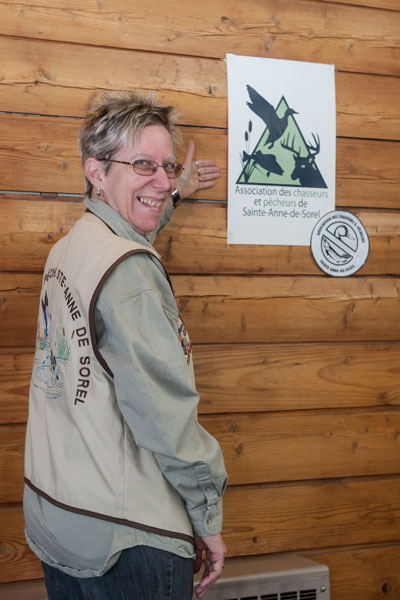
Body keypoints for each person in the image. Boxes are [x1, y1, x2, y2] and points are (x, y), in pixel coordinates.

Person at [24, 91, 228, 600]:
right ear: (96, 171)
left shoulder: (71, 248)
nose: (160, 180)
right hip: (128, 538)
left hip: (60, 519)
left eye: (168, 166)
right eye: (143, 165)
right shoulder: (130, 274)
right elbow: (164, 415)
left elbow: (129, 238)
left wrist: (171, 193)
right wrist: (206, 514)